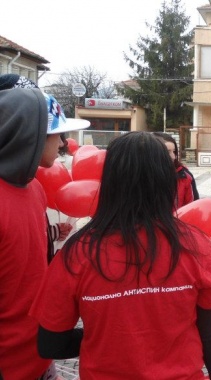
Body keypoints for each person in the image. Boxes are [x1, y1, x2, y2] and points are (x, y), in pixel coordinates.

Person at [29, 132, 211, 379]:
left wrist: (104, 337)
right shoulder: (196, 245)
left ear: (110, 181)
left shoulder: (77, 254)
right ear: (166, 180)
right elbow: (210, 332)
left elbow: (50, 344)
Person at [0, 79, 89, 379]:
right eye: (56, 134)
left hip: (39, 355)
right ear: (29, 136)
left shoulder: (35, 188)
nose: (65, 144)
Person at [153, 132, 199, 209]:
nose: (173, 156)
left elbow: (193, 209)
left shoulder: (184, 177)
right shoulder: (140, 176)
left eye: (174, 151)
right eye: (167, 152)